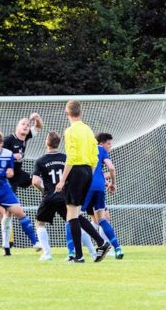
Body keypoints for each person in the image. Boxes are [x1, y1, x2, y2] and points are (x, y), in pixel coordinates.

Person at [55, 100, 110, 263]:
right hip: (87, 171)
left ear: (67, 113)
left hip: (77, 171)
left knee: (71, 215)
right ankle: (99, 244)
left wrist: (62, 180)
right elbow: (95, 157)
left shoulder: (70, 131)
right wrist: (89, 174)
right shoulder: (88, 130)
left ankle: (80, 254)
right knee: (75, 215)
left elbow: (71, 157)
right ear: (81, 112)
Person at [0, 113, 44, 255]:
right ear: (16, 127)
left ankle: (46, 194)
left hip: (18, 174)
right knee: (9, 212)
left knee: (36, 180)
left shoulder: (26, 137)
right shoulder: (8, 140)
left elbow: (38, 127)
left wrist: (36, 118)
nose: (25, 126)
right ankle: (6, 245)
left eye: (27, 124)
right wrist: (12, 156)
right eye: (22, 124)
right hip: (7, 177)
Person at [80, 132, 123, 259]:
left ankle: (74, 252)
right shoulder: (101, 151)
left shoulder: (84, 149)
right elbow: (112, 168)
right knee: (102, 219)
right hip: (99, 188)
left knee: (74, 218)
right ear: (100, 143)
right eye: (108, 143)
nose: (110, 146)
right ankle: (118, 248)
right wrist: (112, 184)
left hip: (86, 187)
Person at [32, 131, 69, 261]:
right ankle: (76, 251)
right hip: (64, 196)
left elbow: (35, 181)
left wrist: (43, 191)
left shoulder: (41, 161)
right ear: (59, 143)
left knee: (39, 224)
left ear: (46, 142)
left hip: (49, 197)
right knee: (72, 222)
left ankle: (47, 254)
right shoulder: (66, 158)